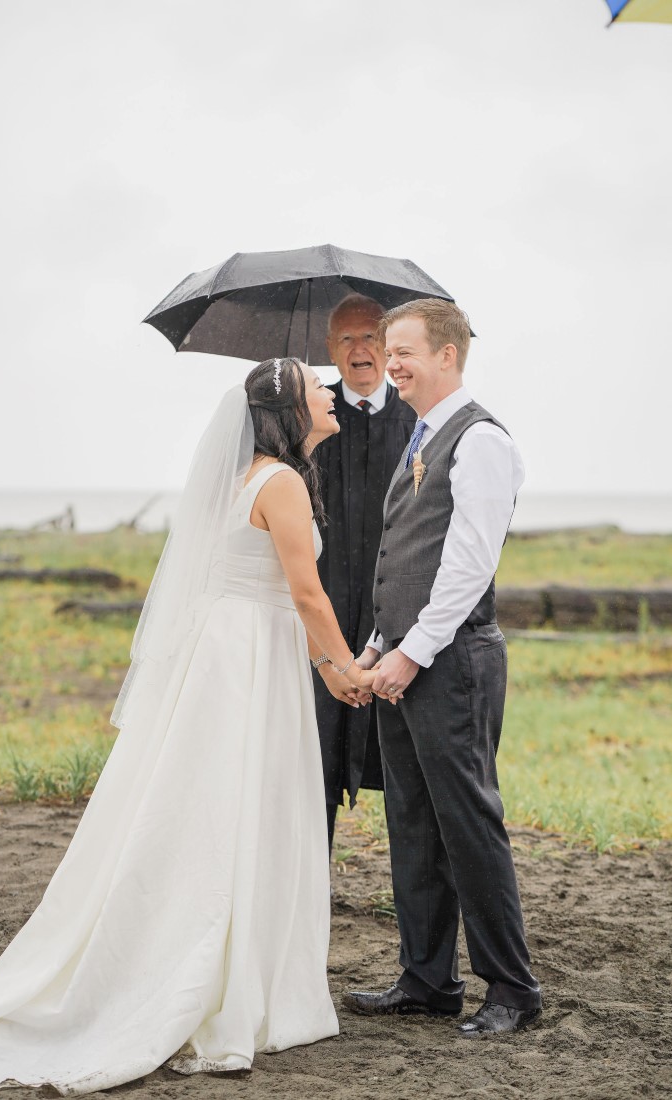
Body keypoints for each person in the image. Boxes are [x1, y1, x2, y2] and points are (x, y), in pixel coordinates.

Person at [0, 359, 376, 1094]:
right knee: (236, 807)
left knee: (206, 803)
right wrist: (348, 668)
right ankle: (213, 979)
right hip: (247, 662)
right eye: (317, 387)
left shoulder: (247, 480)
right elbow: (303, 591)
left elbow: (265, 589)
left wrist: (327, 668)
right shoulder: (285, 483)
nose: (331, 394)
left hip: (229, 651)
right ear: (289, 410)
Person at [343, 299, 542, 1036]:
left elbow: (466, 565)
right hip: (406, 651)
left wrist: (412, 653)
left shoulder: (480, 439)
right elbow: (409, 555)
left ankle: (513, 990)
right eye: (385, 351)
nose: (388, 363)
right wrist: (375, 642)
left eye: (402, 351)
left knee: (467, 823)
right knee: (413, 822)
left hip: (452, 660)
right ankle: (427, 980)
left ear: (447, 355)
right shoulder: (421, 435)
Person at [313, 294, 414, 850]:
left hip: (395, 620)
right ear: (329, 348)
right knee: (312, 760)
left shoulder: (417, 418)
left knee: (407, 771)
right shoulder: (309, 417)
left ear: (388, 344)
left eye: (371, 337)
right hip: (320, 613)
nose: (360, 350)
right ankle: (306, 896)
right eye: (346, 339)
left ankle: (416, 914)